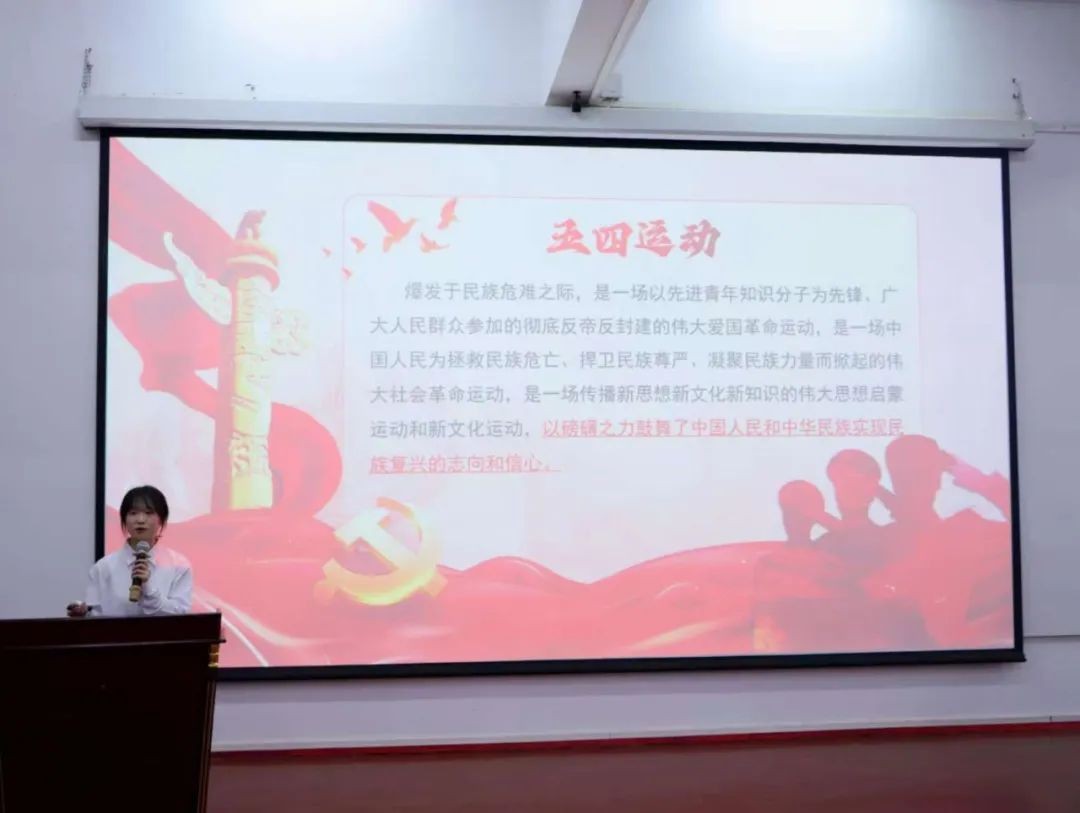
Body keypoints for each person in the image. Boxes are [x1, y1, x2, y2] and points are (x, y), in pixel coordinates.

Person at [67, 485, 192, 617]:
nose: (140, 520)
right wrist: (83, 613)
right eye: (133, 513)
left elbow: (180, 614)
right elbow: (95, 615)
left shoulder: (179, 565)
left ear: (161, 519)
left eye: (148, 513)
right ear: (124, 519)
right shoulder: (103, 567)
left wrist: (149, 589)